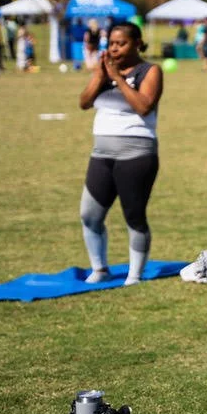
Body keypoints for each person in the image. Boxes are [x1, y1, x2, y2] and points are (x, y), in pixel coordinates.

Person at [77, 23, 163, 286]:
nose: (114, 48)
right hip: (101, 153)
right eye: (111, 43)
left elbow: (144, 106)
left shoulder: (150, 71)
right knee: (89, 215)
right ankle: (99, 269)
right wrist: (101, 77)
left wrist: (117, 78)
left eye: (121, 43)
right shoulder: (103, 70)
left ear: (137, 43)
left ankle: (135, 275)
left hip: (136, 154)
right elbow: (84, 102)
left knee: (134, 215)